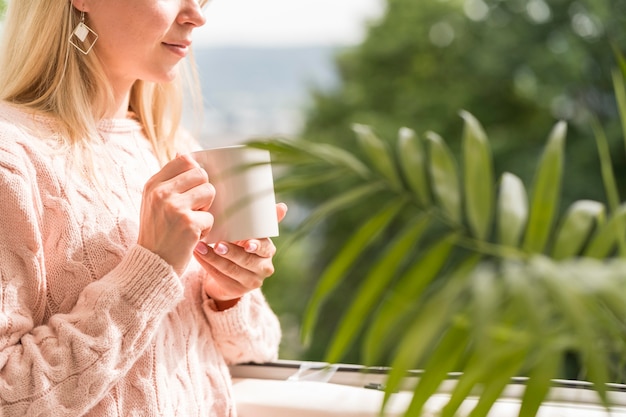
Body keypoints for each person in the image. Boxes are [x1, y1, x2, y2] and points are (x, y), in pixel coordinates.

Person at [0, 0, 288, 415]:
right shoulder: (12, 160)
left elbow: (255, 347)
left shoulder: (175, 149)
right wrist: (152, 267)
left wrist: (228, 295)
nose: (196, 15)